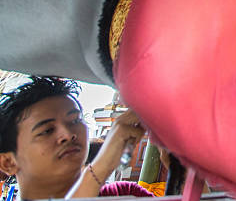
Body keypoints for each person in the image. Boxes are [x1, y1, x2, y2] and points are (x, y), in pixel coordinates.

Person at [0, 77, 150, 200]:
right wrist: (100, 168)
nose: (68, 134)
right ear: (8, 163)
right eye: (47, 130)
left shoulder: (125, 194)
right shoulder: (99, 172)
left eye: (75, 120)